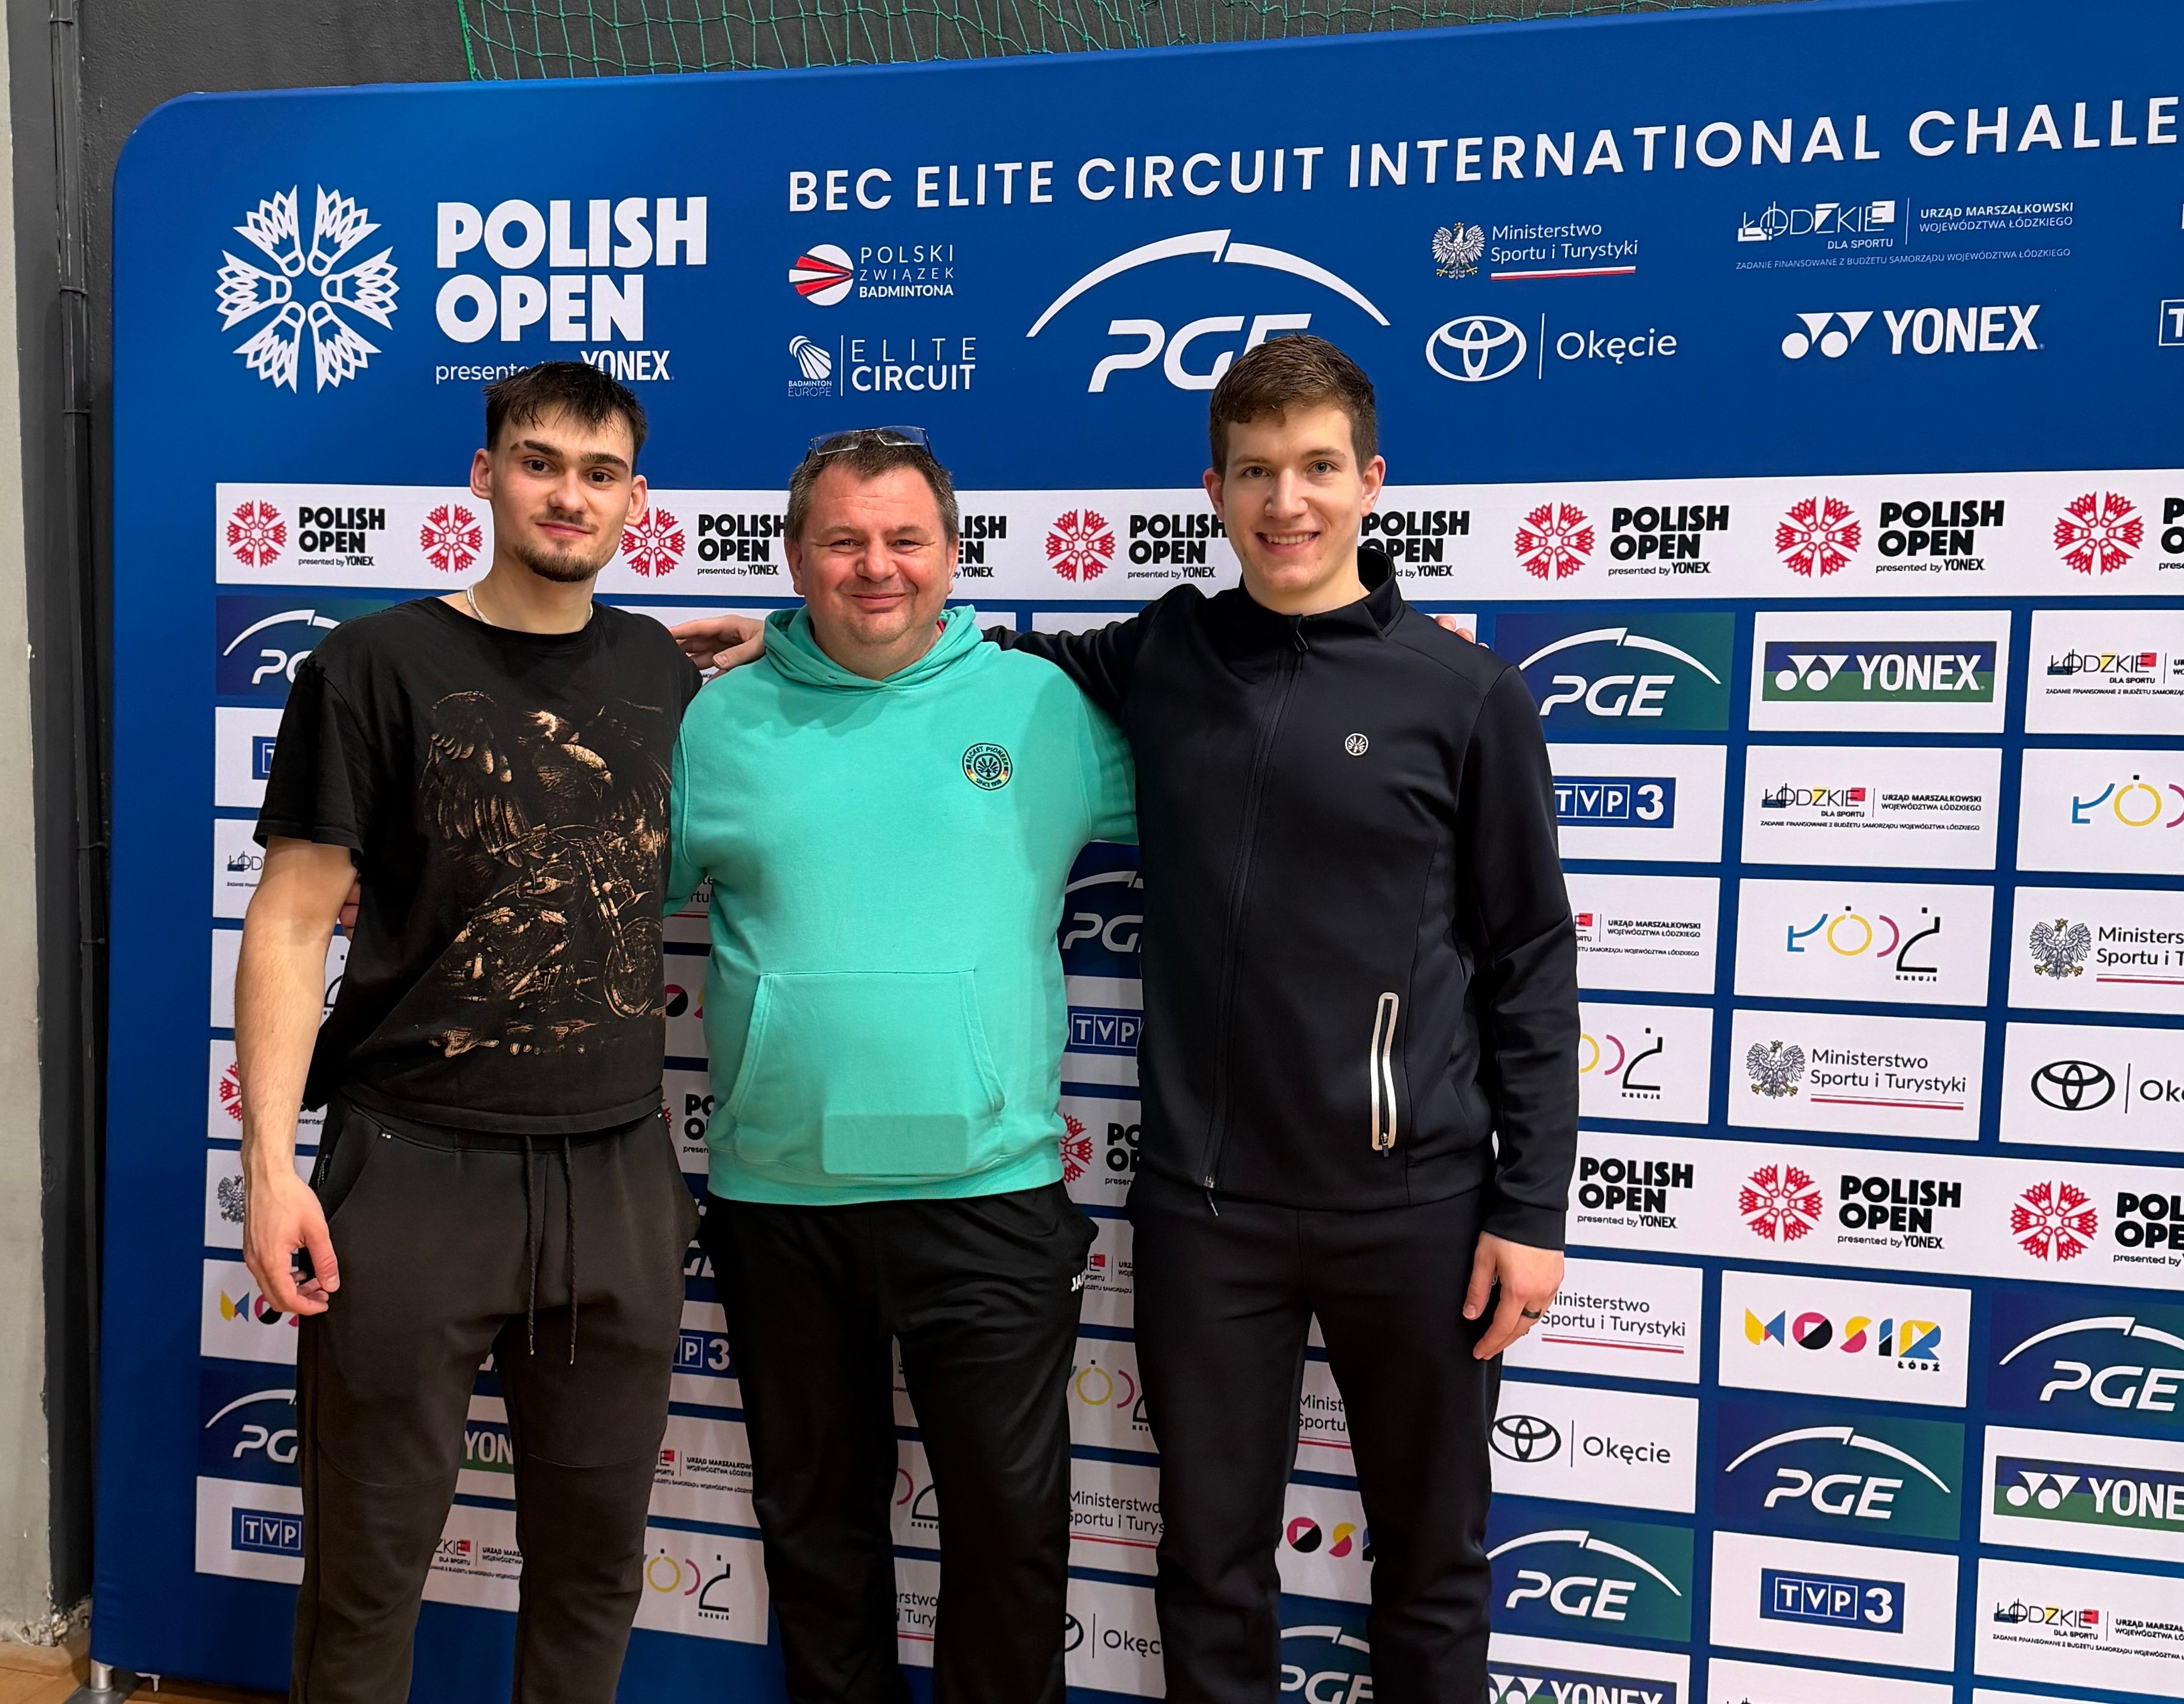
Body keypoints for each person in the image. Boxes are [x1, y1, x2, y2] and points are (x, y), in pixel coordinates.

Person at [675, 336, 1576, 1704]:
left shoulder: (1461, 694)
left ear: (1372, 481)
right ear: (1215, 489)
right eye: (1257, 472)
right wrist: (787, 647)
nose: (1287, 501)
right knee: (1206, 1566)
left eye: (1317, 468)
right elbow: (952, 661)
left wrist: (1534, 1203)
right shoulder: (1165, 656)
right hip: (1202, 1211)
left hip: (1416, 1202)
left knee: (1432, 1563)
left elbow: (1531, 955)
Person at [237, 362, 700, 1704]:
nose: (569, 495)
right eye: (540, 462)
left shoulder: (664, 674)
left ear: (637, 500)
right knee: (366, 1573)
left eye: (600, 473)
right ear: (486, 474)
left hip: (617, 1173)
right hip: (413, 1170)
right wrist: (268, 1169)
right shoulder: (370, 665)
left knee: (595, 1572)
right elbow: (291, 920)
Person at [667, 426, 1135, 1704]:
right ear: (794, 559)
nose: (877, 566)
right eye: (844, 541)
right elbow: (594, 888)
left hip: (988, 1198)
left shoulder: (1040, 708)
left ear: (952, 555)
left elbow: (1238, 785)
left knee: (1010, 1539)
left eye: (904, 539)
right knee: (816, 1536)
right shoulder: (715, 723)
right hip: (779, 1205)